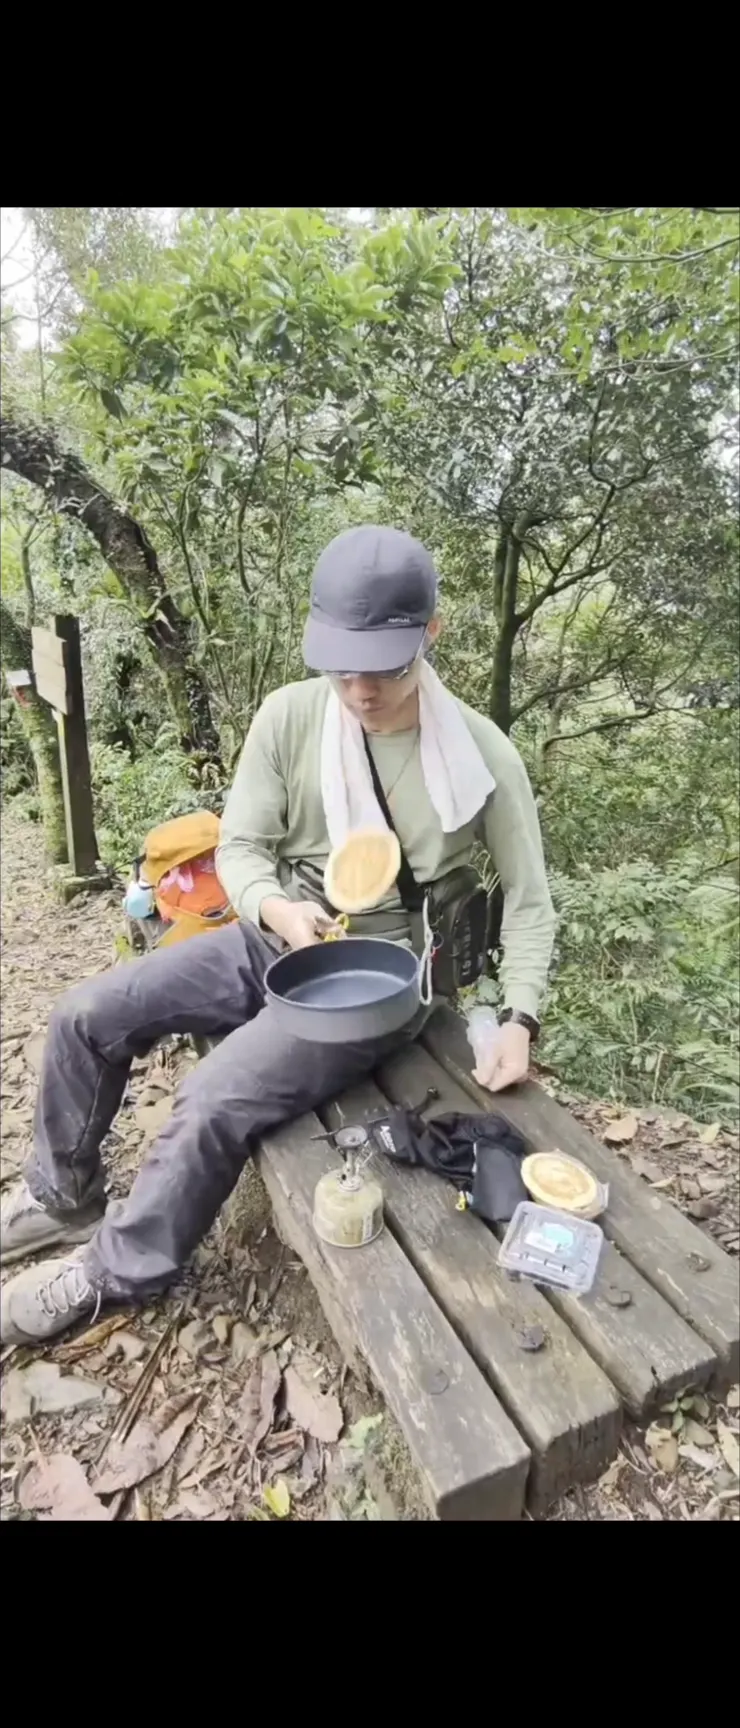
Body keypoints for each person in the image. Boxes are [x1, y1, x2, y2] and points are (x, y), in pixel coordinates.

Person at [0, 526, 555, 1347]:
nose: (361, 689)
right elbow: (243, 847)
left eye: (385, 665)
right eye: (342, 665)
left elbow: (534, 902)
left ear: (430, 636)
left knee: (214, 1098)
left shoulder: (482, 755)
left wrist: (519, 1018)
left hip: (383, 978)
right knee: (87, 1014)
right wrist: (274, 911)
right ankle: (62, 1192)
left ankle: (120, 1270)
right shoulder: (291, 718)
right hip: (284, 930)